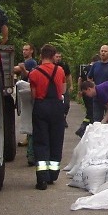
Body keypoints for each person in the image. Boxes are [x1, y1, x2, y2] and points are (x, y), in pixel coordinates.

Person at [27, 44, 67, 190]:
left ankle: (42, 179)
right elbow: (63, 90)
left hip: (41, 106)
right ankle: (53, 174)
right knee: (56, 140)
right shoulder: (60, 70)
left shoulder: (34, 73)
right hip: (57, 107)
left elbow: (33, 94)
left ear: (41, 56)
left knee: (41, 142)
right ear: (53, 55)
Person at [53, 51, 72, 125]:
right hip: (54, 87)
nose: (58, 58)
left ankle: (63, 117)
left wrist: (71, 85)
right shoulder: (52, 65)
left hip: (63, 86)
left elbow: (69, 75)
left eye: (59, 57)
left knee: (66, 104)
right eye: (57, 57)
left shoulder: (64, 65)